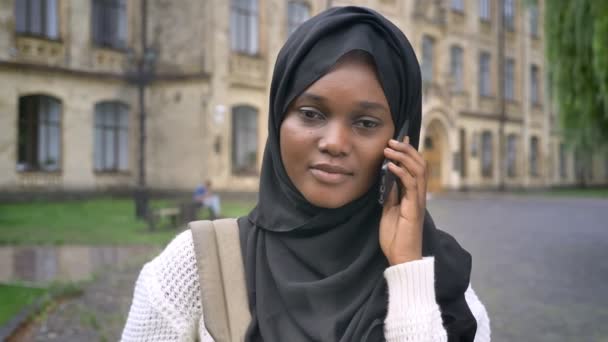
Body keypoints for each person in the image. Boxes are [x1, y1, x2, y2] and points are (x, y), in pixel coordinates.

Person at [122, 6, 490, 342]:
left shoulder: (445, 288)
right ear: (279, 117)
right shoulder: (196, 271)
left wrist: (409, 273)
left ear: (400, 139)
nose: (334, 142)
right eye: (311, 113)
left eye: (365, 122)